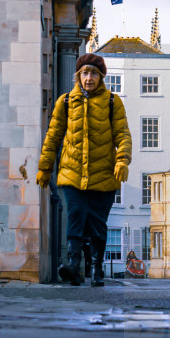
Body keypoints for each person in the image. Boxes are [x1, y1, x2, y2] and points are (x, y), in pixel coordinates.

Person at [37, 53, 132, 288]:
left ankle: (97, 269)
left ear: (101, 77)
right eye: (84, 73)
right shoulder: (66, 101)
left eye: (94, 74)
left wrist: (122, 160)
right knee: (76, 214)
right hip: (72, 173)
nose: (89, 78)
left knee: (98, 225)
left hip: (103, 174)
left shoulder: (113, 102)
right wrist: (45, 167)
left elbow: (122, 133)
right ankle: (73, 266)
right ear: (78, 76)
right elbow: (53, 136)